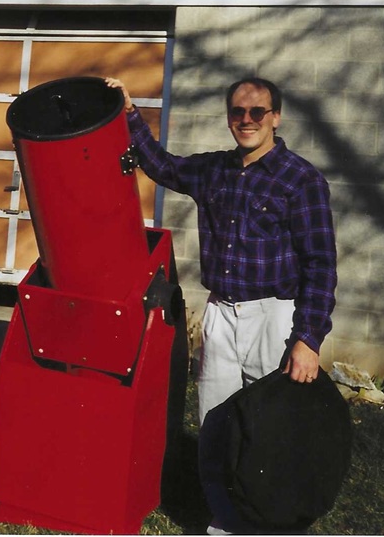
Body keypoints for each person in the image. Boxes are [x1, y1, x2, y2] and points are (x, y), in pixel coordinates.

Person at [105, 75, 337, 534]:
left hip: (274, 316)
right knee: (217, 421)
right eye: (237, 112)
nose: (246, 121)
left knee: (271, 429)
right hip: (221, 312)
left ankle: (275, 522)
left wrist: (308, 338)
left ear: (275, 117)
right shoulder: (215, 170)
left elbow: (321, 264)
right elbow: (162, 166)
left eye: (257, 112)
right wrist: (130, 113)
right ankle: (226, 518)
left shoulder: (301, 180)